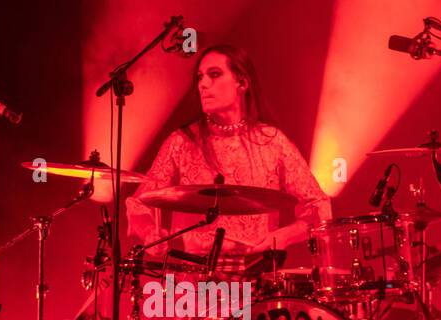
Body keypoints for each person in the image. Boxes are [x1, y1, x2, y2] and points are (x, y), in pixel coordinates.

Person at [126, 44, 331, 257]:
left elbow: (319, 206)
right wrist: (151, 233)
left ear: (241, 82)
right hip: (194, 277)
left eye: (214, 75)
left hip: (254, 276)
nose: (203, 84)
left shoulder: (273, 142)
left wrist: (283, 237)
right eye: (200, 77)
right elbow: (139, 203)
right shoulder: (182, 142)